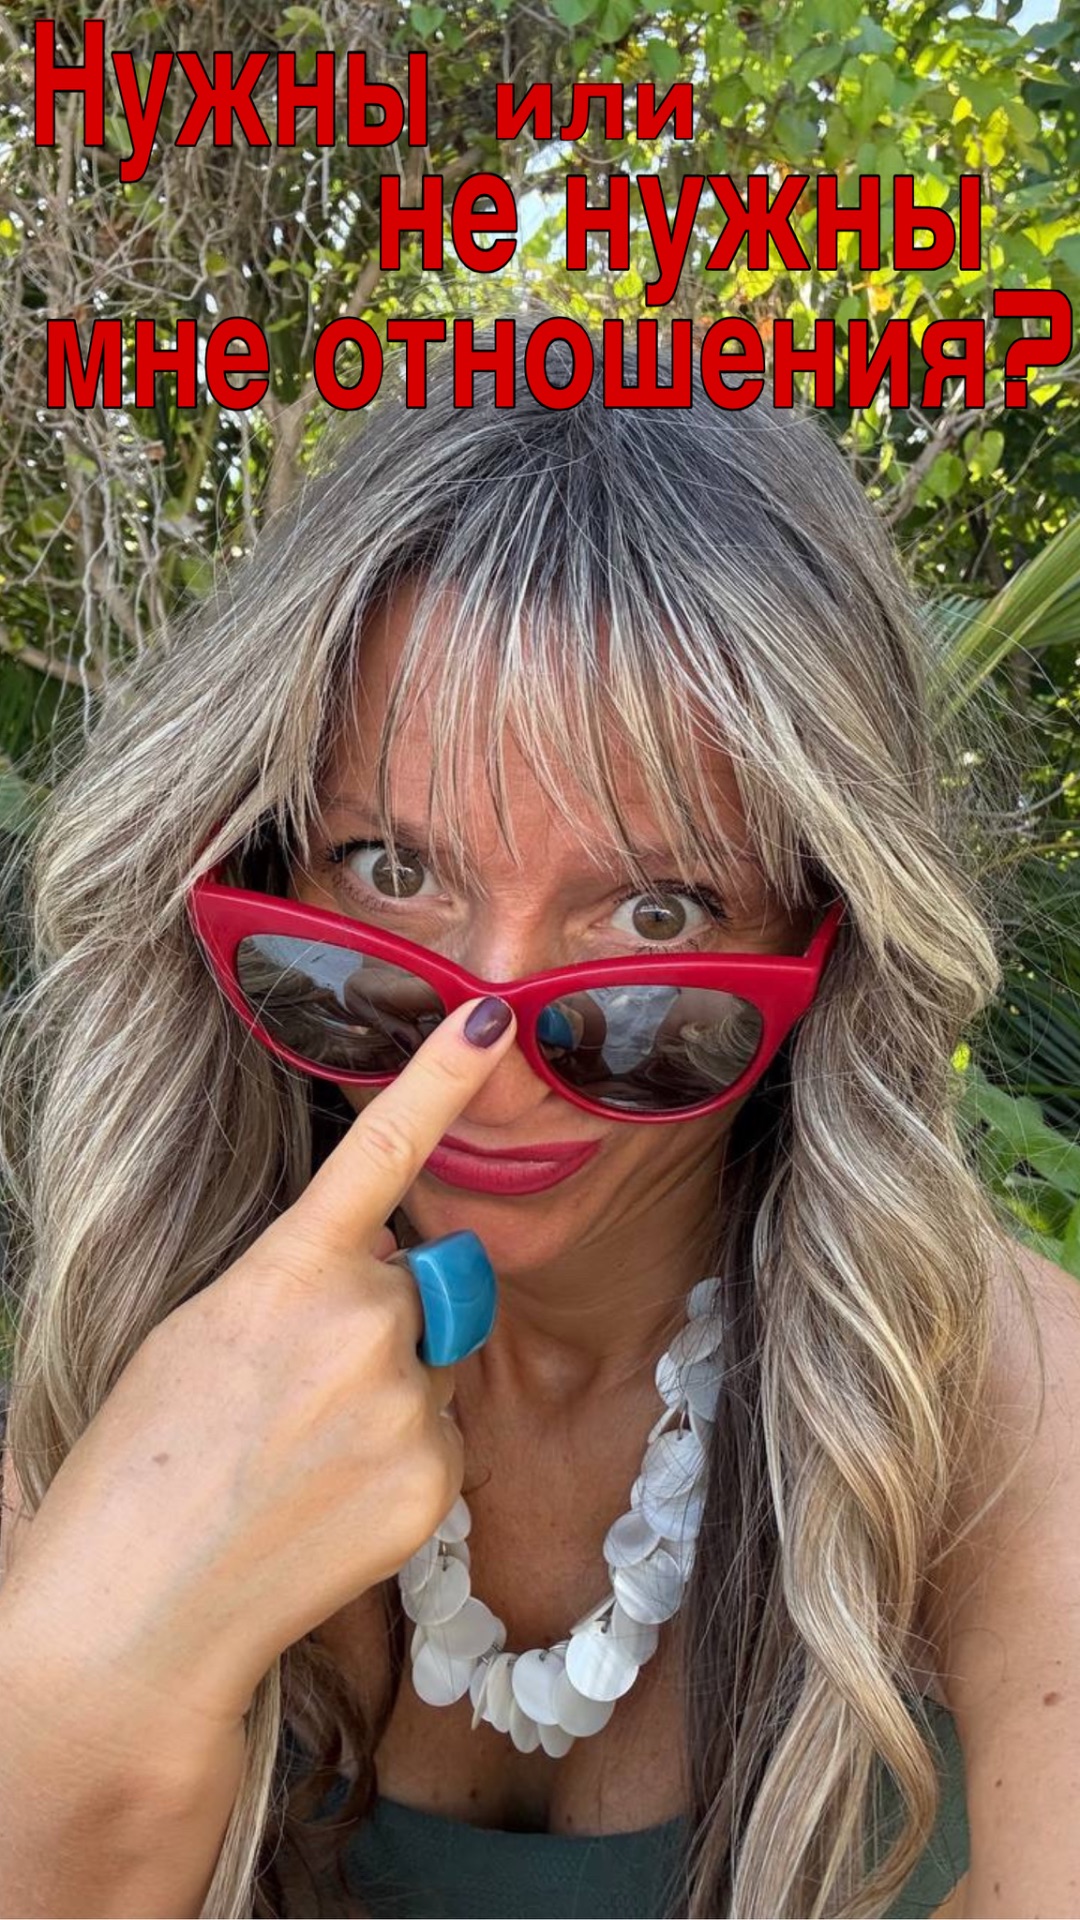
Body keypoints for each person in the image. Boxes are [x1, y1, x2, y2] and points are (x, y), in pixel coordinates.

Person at [0, 309, 1077, 1920]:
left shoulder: (1017, 1421)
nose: (484, 1062)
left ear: (827, 936)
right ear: (257, 860)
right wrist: (86, 1697)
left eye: (655, 912)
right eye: (393, 871)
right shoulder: (144, 1345)